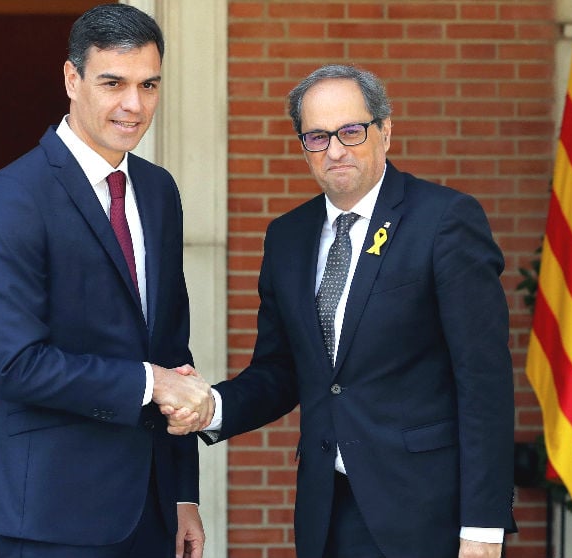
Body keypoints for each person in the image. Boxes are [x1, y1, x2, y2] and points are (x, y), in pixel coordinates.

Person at [166, 64, 516, 558]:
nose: (335, 149)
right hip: (327, 512)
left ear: (385, 130)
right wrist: (212, 407)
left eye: (351, 131)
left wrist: (483, 528)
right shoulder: (287, 237)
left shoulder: (444, 220)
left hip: (428, 514)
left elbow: (484, 383)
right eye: (317, 136)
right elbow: (281, 370)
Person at [0, 4, 213, 558]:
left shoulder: (157, 191)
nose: (134, 104)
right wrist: (151, 383)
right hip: (55, 511)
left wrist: (181, 496)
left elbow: (172, 349)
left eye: (149, 84)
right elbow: (16, 365)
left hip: (151, 508)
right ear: (72, 79)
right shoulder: (12, 196)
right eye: (113, 83)